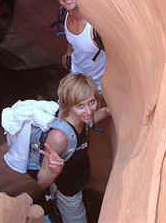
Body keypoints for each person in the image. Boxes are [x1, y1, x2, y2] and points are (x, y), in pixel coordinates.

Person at [30, 73, 110, 223]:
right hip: (68, 192)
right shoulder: (59, 137)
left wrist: (108, 111)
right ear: (68, 107)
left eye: (91, 102)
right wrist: (54, 171)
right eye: (80, 106)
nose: (88, 111)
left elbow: (93, 118)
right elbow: (41, 182)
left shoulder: (83, 119)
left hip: (74, 181)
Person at [54, 0, 106, 91]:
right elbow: (73, 39)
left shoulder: (96, 26)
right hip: (77, 77)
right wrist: (68, 52)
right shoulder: (65, 13)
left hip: (97, 89)